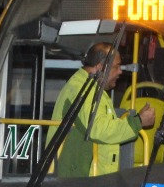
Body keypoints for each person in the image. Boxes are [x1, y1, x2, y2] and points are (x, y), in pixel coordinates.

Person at [50, 42, 155, 177]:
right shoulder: (82, 89)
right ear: (100, 67)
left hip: (86, 178)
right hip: (76, 180)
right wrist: (138, 121)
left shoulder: (90, 87)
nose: (120, 71)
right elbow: (98, 129)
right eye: (116, 67)